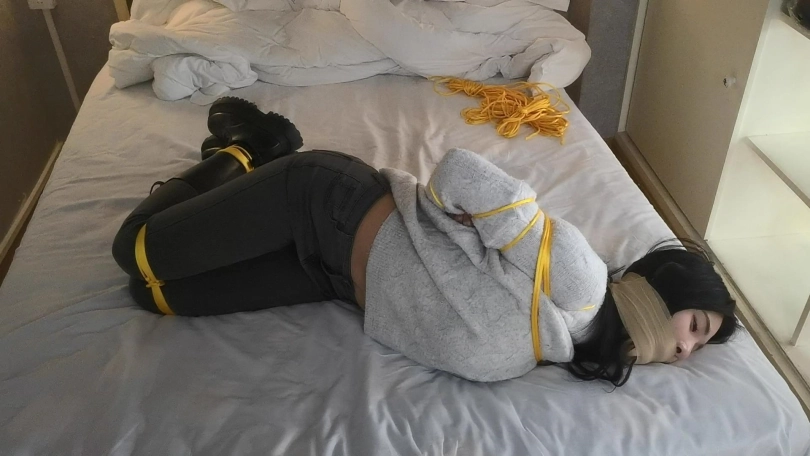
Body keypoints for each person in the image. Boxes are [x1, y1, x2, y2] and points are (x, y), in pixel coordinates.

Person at [112, 98, 739, 385]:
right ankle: (254, 147)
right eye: (695, 326)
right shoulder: (580, 280)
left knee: (157, 297)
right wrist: (445, 219)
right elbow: (461, 173)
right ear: (660, 291)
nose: (686, 350)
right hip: (326, 204)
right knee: (135, 253)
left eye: (698, 346)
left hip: (327, 277)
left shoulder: (566, 342)